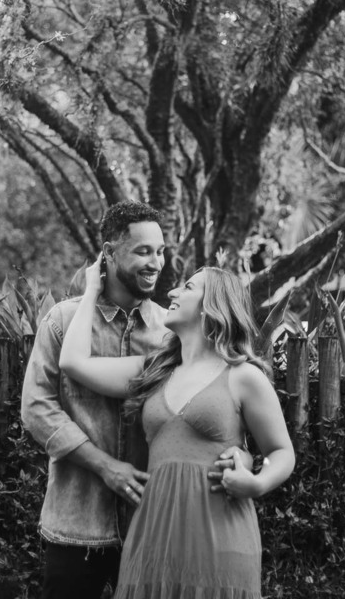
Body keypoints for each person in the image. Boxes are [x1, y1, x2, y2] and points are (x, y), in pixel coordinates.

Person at [21, 201, 249, 599]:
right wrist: (106, 466)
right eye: (143, 251)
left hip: (156, 526)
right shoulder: (62, 322)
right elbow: (37, 409)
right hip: (77, 523)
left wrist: (240, 456)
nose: (156, 263)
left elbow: (210, 402)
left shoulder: (173, 332)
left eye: (160, 251)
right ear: (108, 254)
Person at [60, 254, 295, 599]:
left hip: (219, 541)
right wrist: (93, 289)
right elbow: (72, 362)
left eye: (187, 287)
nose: (171, 292)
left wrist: (256, 482)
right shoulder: (152, 371)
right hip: (152, 538)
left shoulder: (243, 376)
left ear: (211, 305)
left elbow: (282, 451)